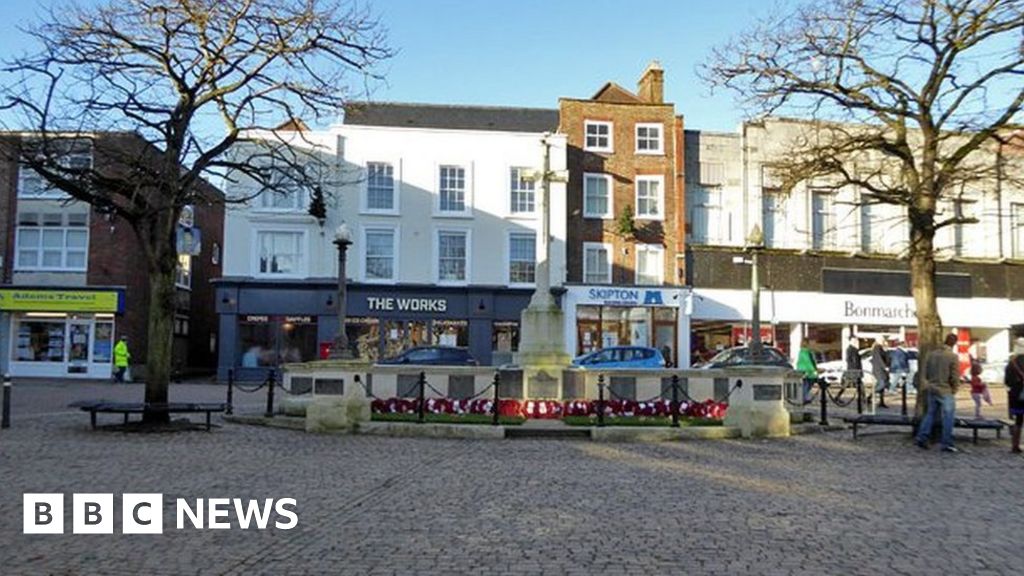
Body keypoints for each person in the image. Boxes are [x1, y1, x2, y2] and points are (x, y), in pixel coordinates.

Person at [915, 333, 962, 453]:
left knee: (930, 414)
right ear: (954, 343)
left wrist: (929, 383)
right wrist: (955, 388)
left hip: (932, 387)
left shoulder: (932, 354)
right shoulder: (952, 356)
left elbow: (925, 372)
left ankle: (922, 436)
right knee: (948, 417)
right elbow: (954, 375)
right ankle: (946, 443)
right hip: (945, 389)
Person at [1004, 338, 1024, 455]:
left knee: (1018, 421)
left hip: (1016, 395)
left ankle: (1015, 445)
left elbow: (1007, 382)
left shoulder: (1012, 363)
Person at [871, 337, 891, 408]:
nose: (883, 341)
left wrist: (886, 351)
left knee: (882, 386)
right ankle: (870, 396)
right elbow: (879, 359)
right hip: (878, 370)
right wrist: (885, 366)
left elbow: (886, 358)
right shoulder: (877, 347)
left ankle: (881, 402)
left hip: (882, 370)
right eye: (882, 340)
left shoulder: (881, 348)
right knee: (881, 384)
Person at [796, 339, 818, 404]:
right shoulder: (805, 352)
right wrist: (815, 369)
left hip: (807, 372)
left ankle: (804, 398)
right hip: (806, 372)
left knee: (807, 384)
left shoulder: (806, 352)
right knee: (806, 385)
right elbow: (808, 362)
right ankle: (804, 398)